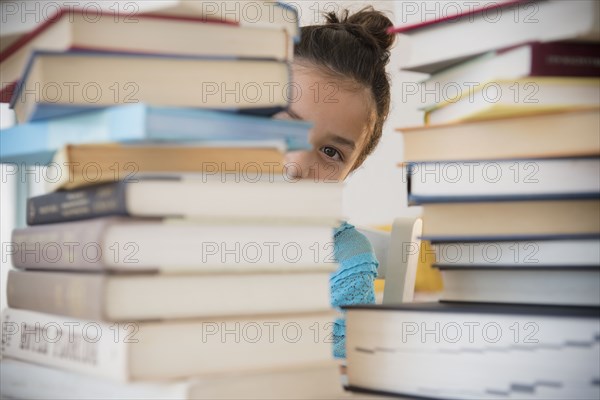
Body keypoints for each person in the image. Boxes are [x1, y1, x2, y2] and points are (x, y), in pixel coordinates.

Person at [273, 6, 395, 358]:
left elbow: (335, 378)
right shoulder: (181, 221)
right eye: (285, 127)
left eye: (330, 152)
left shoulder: (346, 260)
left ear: (351, 171)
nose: (296, 166)